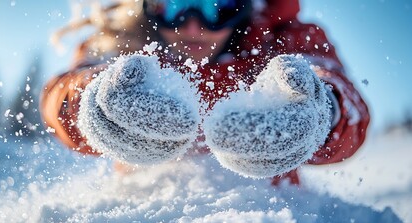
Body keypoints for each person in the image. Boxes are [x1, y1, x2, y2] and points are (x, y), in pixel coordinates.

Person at [41, 0, 370, 185]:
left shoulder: (283, 40)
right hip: (148, 218)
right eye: (176, 6)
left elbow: (345, 100)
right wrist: (94, 102)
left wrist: (322, 109)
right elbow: (61, 95)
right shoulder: (124, 41)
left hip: (269, 221)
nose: (193, 26)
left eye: (217, 6)